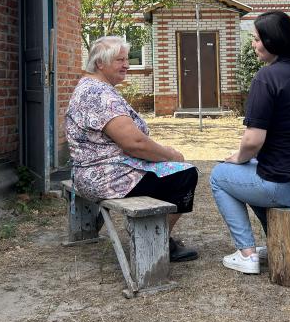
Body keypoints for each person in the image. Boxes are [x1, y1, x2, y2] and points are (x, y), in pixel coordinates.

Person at [210, 11, 290, 274]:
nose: (253, 45)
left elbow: (253, 141)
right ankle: (279, 241)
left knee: (220, 176)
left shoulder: (266, 78)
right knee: (256, 172)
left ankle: (246, 255)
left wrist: (238, 157)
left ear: (273, 40)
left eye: (257, 39)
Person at [66, 36, 198, 262]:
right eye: (120, 60)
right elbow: (134, 144)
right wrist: (172, 154)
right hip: (105, 176)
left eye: (126, 59)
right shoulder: (99, 95)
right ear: (100, 64)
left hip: (89, 173)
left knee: (167, 170)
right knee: (185, 173)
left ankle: (153, 233)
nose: (126, 65)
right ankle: (155, 240)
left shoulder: (89, 86)